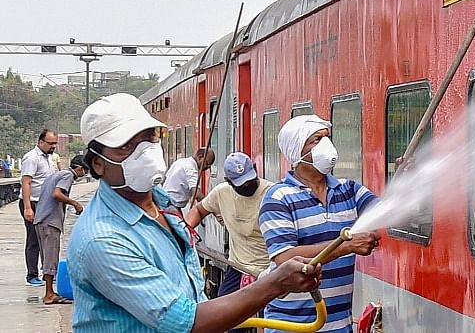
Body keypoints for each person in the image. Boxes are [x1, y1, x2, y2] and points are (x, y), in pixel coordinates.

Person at [68, 93, 324, 333]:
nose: (144, 150)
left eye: (149, 138)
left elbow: (191, 294)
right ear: (98, 164)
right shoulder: (103, 240)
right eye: (126, 146)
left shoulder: (161, 203)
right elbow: (185, 322)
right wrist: (275, 283)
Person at [259, 115, 381, 333]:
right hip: (291, 327)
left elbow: (385, 211)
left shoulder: (349, 190)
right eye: (316, 140)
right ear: (298, 152)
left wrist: (407, 177)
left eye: (328, 138)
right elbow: (285, 257)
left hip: (339, 325)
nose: (327, 145)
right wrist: (346, 246)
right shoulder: (278, 198)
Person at [185, 152, 274, 293]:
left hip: (270, 268)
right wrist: (183, 232)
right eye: (241, 184)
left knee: (266, 313)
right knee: (224, 307)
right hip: (238, 267)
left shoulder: (273, 193)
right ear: (229, 181)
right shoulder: (222, 192)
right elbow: (199, 210)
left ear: (255, 170)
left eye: (250, 181)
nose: (247, 186)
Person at [33, 154, 88, 304]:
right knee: (51, 257)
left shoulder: (56, 174)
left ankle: (50, 290)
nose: (85, 175)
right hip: (50, 220)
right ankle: (49, 294)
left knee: (47, 257)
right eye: (86, 171)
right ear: (80, 168)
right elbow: (57, 194)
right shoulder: (68, 175)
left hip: (41, 219)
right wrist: (74, 203)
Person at [21, 129, 57, 286]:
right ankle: (32, 275)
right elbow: (26, 182)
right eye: (50, 143)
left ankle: (47, 273)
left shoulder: (50, 158)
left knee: (46, 238)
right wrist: (28, 208)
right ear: (40, 142)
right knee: (34, 239)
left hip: (45, 203)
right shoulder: (32, 158)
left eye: (55, 143)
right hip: (33, 203)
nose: (53, 146)